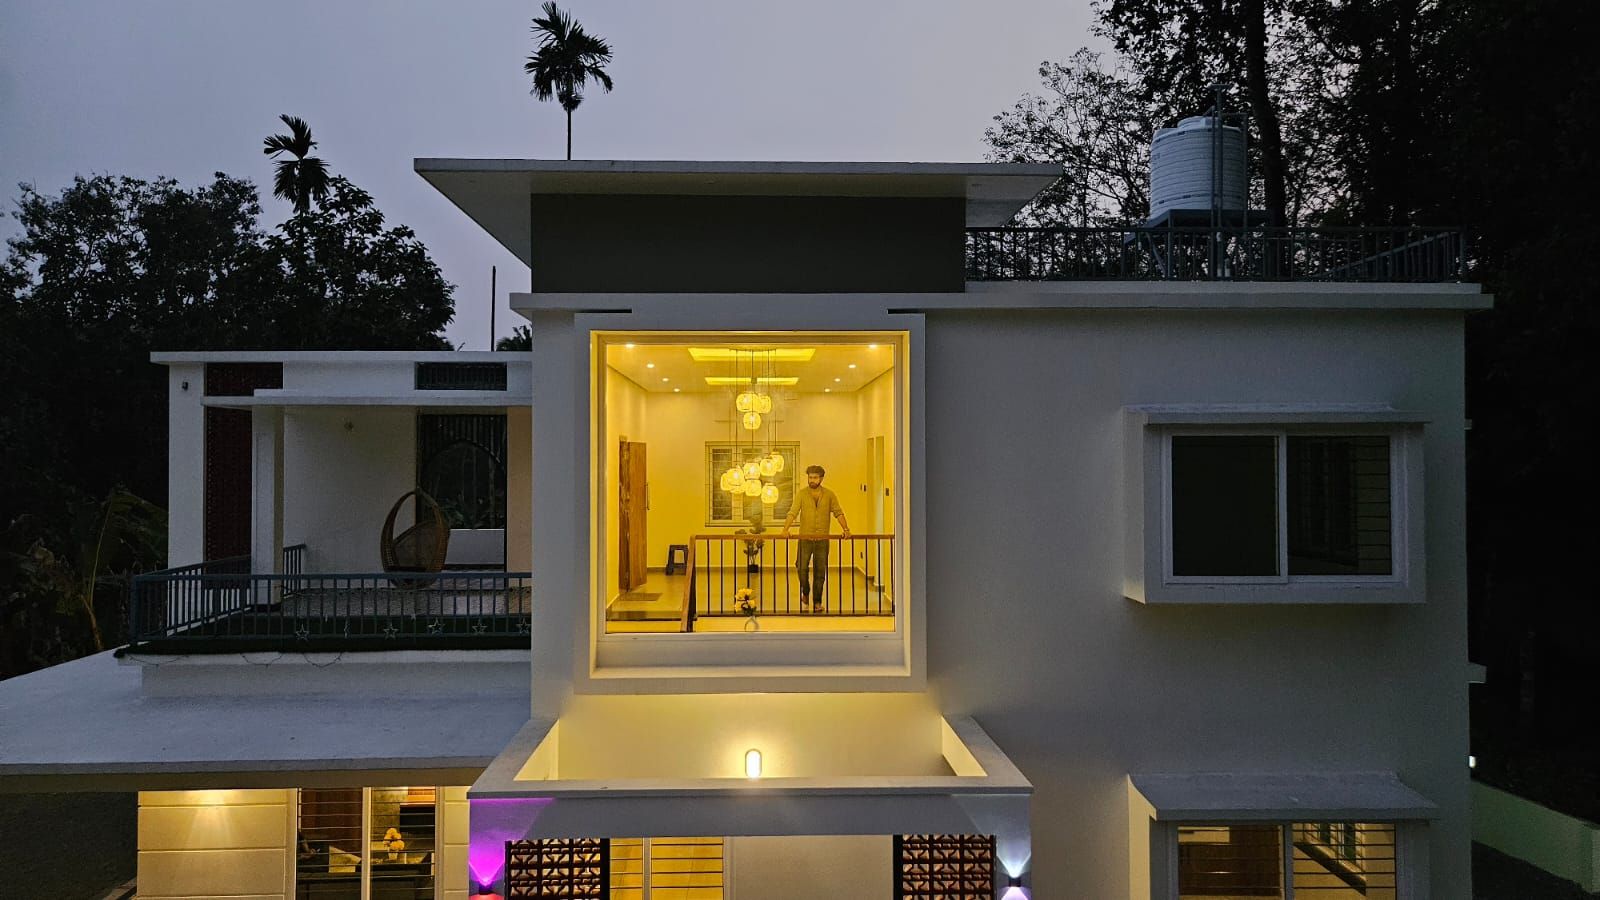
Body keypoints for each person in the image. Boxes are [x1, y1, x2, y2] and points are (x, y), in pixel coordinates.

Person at [781, 464, 850, 612]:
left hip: (822, 540)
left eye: (815, 477)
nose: (812, 480)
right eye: (810, 477)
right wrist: (785, 529)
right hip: (805, 538)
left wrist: (846, 529)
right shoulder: (802, 494)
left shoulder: (830, 495)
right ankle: (805, 592)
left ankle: (817, 602)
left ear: (821, 479)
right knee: (801, 567)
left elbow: (838, 512)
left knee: (820, 572)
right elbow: (792, 512)